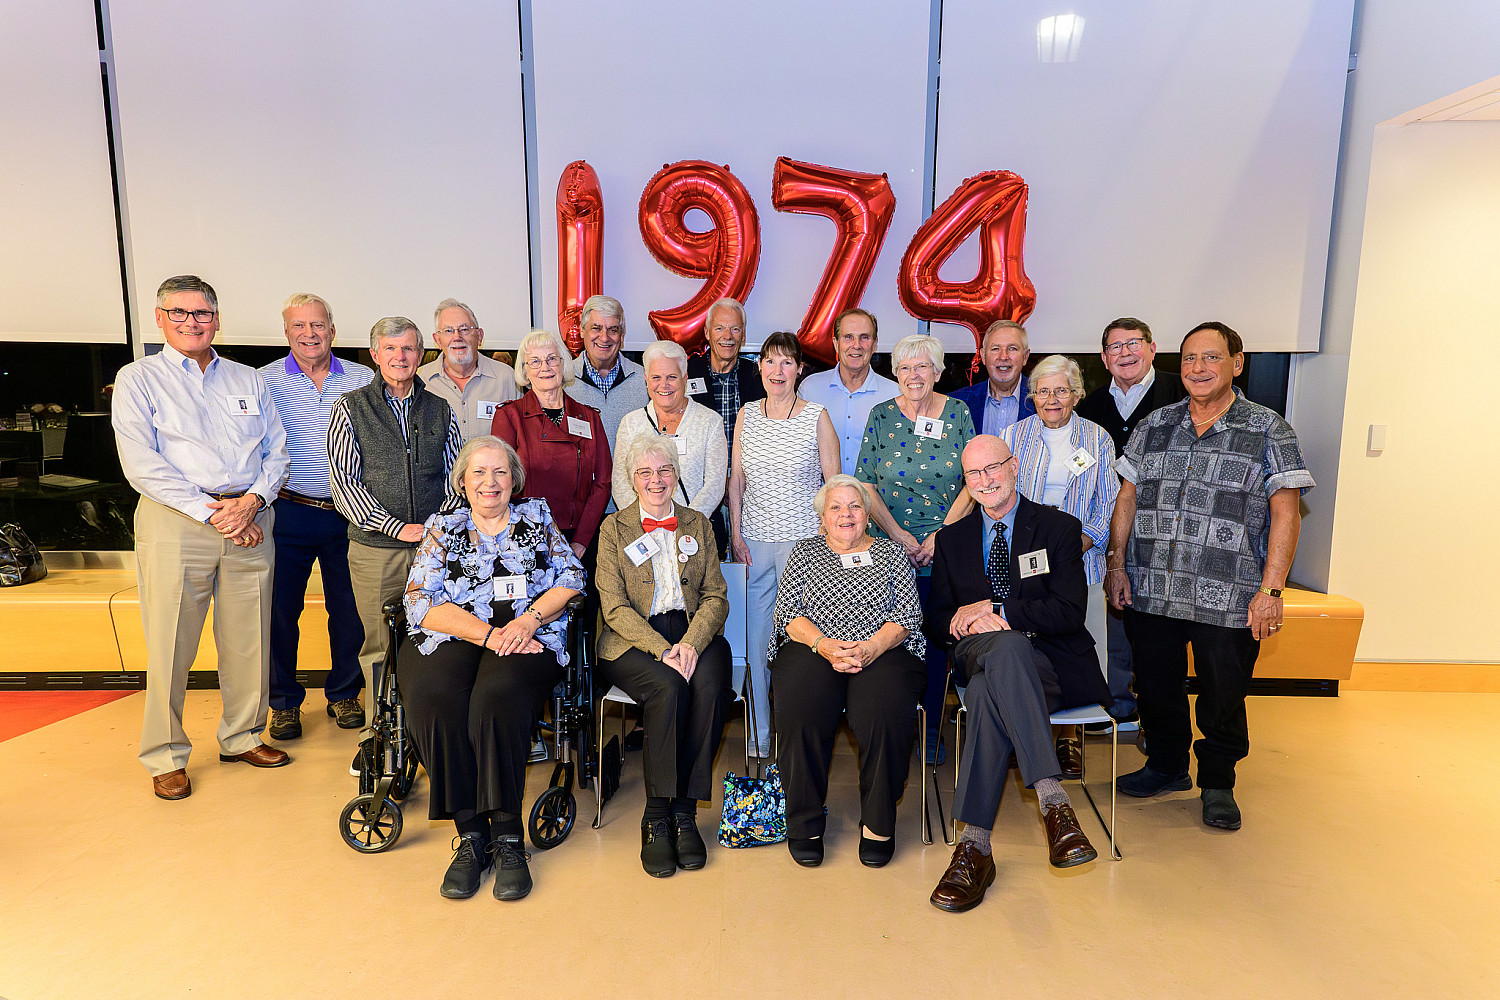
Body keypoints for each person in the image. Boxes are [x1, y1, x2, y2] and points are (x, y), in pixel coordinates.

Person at [1107, 322, 1314, 831]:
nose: (1199, 369)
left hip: (1231, 593)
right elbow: (1127, 499)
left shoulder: (1269, 428)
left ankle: (1218, 782)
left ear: (1237, 364)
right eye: (1191, 359)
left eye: (1212, 358)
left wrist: (1271, 591)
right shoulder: (1155, 425)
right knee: (1156, 685)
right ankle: (1167, 766)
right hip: (1153, 587)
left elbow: (1286, 513)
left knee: (1224, 693)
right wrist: (1116, 564)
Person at [112, 275, 292, 800]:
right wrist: (212, 512)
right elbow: (141, 463)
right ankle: (164, 754)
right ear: (160, 318)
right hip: (179, 520)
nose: (193, 322)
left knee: (250, 636)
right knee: (170, 643)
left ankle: (242, 735)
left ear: (217, 319)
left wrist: (253, 502)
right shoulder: (138, 378)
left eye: (202, 313)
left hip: (251, 517)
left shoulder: (248, 380)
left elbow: (276, 452)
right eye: (181, 313)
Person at [399, 436, 585, 901]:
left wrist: (529, 620)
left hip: (531, 633)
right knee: (435, 697)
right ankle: (471, 836)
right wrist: (486, 635)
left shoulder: (537, 518)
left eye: (500, 472)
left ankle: (505, 837)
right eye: (478, 473)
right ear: (462, 482)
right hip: (457, 632)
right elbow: (419, 600)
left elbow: (571, 578)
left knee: (495, 698)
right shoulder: (443, 527)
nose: (490, 482)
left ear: (514, 479)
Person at [926, 435, 1107, 913]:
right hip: (978, 651)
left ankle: (974, 849)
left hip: (1050, 662)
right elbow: (935, 617)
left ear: (1015, 467)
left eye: (993, 469)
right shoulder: (952, 539)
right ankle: (1053, 801)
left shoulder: (1057, 528)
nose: (985, 481)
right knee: (1001, 650)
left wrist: (997, 607)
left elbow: (1069, 611)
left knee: (989, 691)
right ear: (964, 483)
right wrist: (958, 619)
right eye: (973, 475)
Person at [769, 475, 925, 869]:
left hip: (883, 648)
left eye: (854, 506)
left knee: (885, 711)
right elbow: (788, 615)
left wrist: (870, 648)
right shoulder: (803, 553)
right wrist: (825, 645)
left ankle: (878, 824)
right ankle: (804, 823)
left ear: (868, 515)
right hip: (815, 647)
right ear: (822, 518)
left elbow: (907, 616)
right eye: (835, 507)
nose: (846, 515)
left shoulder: (890, 554)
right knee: (799, 705)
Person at [595, 434, 732, 878]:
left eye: (664, 471)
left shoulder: (698, 523)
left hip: (692, 629)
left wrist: (690, 643)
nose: (656, 480)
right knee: (670, 687)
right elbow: (613, 607)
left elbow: (715, 595)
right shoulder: (614, 529)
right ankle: (656, 815)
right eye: (645, 473)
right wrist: (664, 649)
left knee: (711, 685)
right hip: (634, 638)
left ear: (676, 475)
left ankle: (685, 812)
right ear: (632, 480)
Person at [329, 317, 463, 723]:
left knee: (438, 640)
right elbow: (344, 483)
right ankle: (378, 737)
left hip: (434, 549)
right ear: (375, 355)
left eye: (408, 349)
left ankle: (428, 732)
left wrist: (436, 528)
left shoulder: (440, 408)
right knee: (378, 647)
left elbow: (456, 476)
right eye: (390, 349)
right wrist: (396, 526)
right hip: (376, 552)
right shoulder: (350, 408)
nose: (400, 357)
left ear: (421, 356)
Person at [856, 333, 977, 759]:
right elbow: (866, 484)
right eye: (905, 367)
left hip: (946, 548)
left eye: (922, 366)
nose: (913, 375)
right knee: (891, 639)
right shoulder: (882, 415)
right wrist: (900, 535)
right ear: (896, 373)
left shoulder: (958, 412)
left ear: (939, 371)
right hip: (890, 550)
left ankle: (930, 730)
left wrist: (938, 535)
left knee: (934, 640)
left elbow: (973, 481)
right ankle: (896, 725)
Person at [259, 293, 374, 739]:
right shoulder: (263, 380)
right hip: (286, 510)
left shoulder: (363, 377)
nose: (309, 334)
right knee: (280, 611)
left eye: (318, 325)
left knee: (348, 610)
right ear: (286, 332)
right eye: (299, 326)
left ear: (332, 329)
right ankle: (284, 702)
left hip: (350, 513)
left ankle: (344, 693)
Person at [1000, 355, 1120, 773]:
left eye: (1061, 390)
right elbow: (999, 493)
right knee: (1026, 644)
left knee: (1077, 646)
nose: (1052, 399)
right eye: (1043, 391)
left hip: (1079, 558)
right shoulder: (1014, 435)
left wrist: (1075, 544)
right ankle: (1026, 730)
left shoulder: (1098, 439)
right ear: (1031, 396)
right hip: (1023, 561)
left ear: (1077, 394)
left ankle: (1069, 738)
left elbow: (1107, 502)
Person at [727, 331, 840, 756]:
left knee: (800, 646)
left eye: (787, 362)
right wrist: (736, 534)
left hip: (804, 546)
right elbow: (736, 479)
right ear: (759, 368)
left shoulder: (817, 415)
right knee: (757, 644)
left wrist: (829, 543)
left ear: (799, 370)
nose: (778, 370)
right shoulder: (746, 416)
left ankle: (798, 735)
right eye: (771, 362)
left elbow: (833, 487)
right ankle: (758, 736)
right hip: (754, 543)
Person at [1076, 318, 1185, 725]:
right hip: (1109, 530)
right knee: (1116, 616)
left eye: (1133, 344)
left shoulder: (1180, 392)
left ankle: (1159, 720)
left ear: (1152, 348)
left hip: (1168, 533)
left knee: (1161, 631)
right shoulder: (1088, 408)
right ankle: (1119, 705)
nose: (1125, 353)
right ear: (1104, 358)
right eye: (1115, 347)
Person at [491, 329, 611, 558]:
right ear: (525, 371)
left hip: (580, 540)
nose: (544, 367)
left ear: (563, 365)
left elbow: (603, 482)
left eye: (551, 359)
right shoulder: (509, 416)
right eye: (535, 361)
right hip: (524, 538)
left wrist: (581, 542)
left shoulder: (589, 418)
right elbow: (500, 481)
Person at [611, 340, 728, 517]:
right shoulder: (630, 423)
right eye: (656, 377)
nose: (663, 385)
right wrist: (642, 522)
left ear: (685, 378)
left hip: (695, 531)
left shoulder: (710, 422)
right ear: (646, 379)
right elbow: (620, 483)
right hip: (643, 534)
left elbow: (714, 485)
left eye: (672, 377)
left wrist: (686, 524)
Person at [686, 297, 766, 554]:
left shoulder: (759, 376)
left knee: (747, 565)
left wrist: (735, 482)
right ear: (707, 333)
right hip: (698, 490)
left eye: (735, 329)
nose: (728, 336)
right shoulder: (686, 372)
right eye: (720, 328)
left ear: (743, 335)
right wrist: (718, 483)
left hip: (751, 490)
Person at [798, 308, 898, 476]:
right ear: (836, 344)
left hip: (873, 500)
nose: (856, 345)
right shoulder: (810, 390)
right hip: (822, 499)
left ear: (874, 345)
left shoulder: (894, 394)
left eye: (864, 337)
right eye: (848, 337)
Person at [416, 298, 520, 442]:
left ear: (480, 336)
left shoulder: (507, 378)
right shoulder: (421, 379)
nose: (457, 337)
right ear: (437, 340)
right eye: (448, 331)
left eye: (464, 329)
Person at [566, 294, 647, 451]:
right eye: (596, 328)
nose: (604, 337)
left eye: (613, 330)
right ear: (582, 331)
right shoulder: (563, 380)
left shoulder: (645, 380)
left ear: (622, 336)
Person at [951, 319, 1036, 436]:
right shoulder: (957, 403)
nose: (1003, 356)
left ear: (1025, 357)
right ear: (983, 356)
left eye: (1012, 348)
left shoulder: (1042, 401)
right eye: (995, 349)